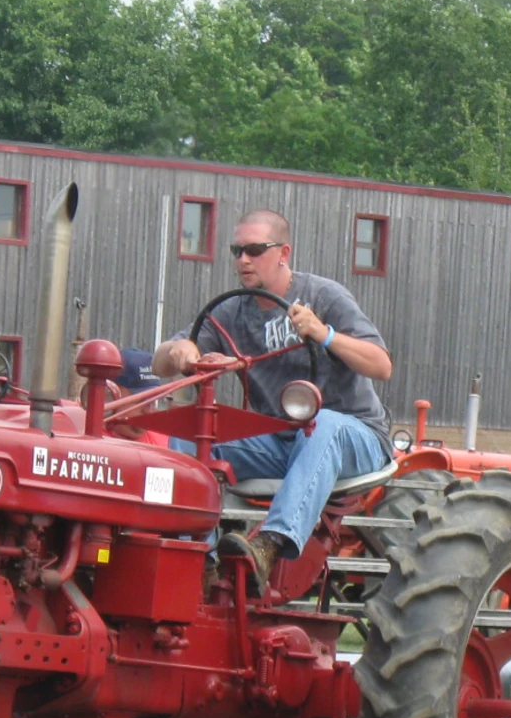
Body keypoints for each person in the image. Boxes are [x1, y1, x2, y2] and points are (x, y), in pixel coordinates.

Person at [151, 208, 392, 593]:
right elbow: (161, 361)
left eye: (254, 249)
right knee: (193, 429)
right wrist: (180, 348)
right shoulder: (231, 312)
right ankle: (199, 560)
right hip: (281, 440)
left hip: (355, 436)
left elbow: (381, 365)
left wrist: (323, 333)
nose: (242, 259)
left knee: (324, 423)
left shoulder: (323, 296)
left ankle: (268, 544)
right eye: (236, 250)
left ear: (283, 252)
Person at [111, 347, 234, 718]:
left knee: (163, 683)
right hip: (117, 571)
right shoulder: (98, 443)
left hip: (167, 580)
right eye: (138, 401)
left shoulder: (172, 445)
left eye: (153, 401)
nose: (147, 411)